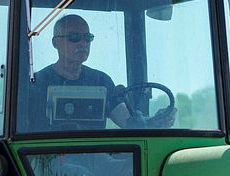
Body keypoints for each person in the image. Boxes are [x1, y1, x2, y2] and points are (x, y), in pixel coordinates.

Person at [31, 14, 176, 130]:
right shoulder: (38, 82)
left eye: (87, 38)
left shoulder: (101, 81)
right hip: (51, 158)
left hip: (96, 158)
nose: (83, 43)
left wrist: (154, 122)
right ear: (55, 43)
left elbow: (128, 123)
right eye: (74, 38)